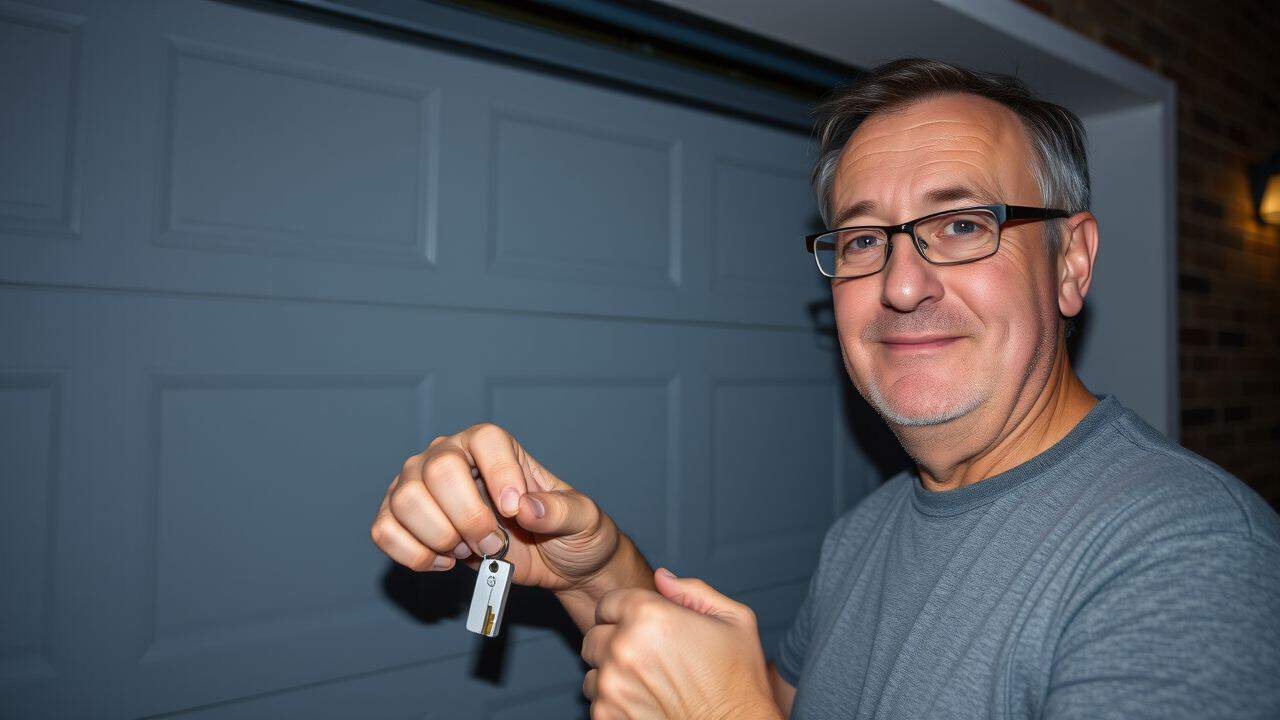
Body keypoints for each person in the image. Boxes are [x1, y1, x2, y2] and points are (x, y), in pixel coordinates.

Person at [369, 58, 1280, 719]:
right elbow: (783, 702)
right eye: (860, 239)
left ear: (1071, 262)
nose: (902, 283)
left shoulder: (1189, 556)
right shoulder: (870, 528)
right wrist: (595, 566)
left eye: (961, 224)